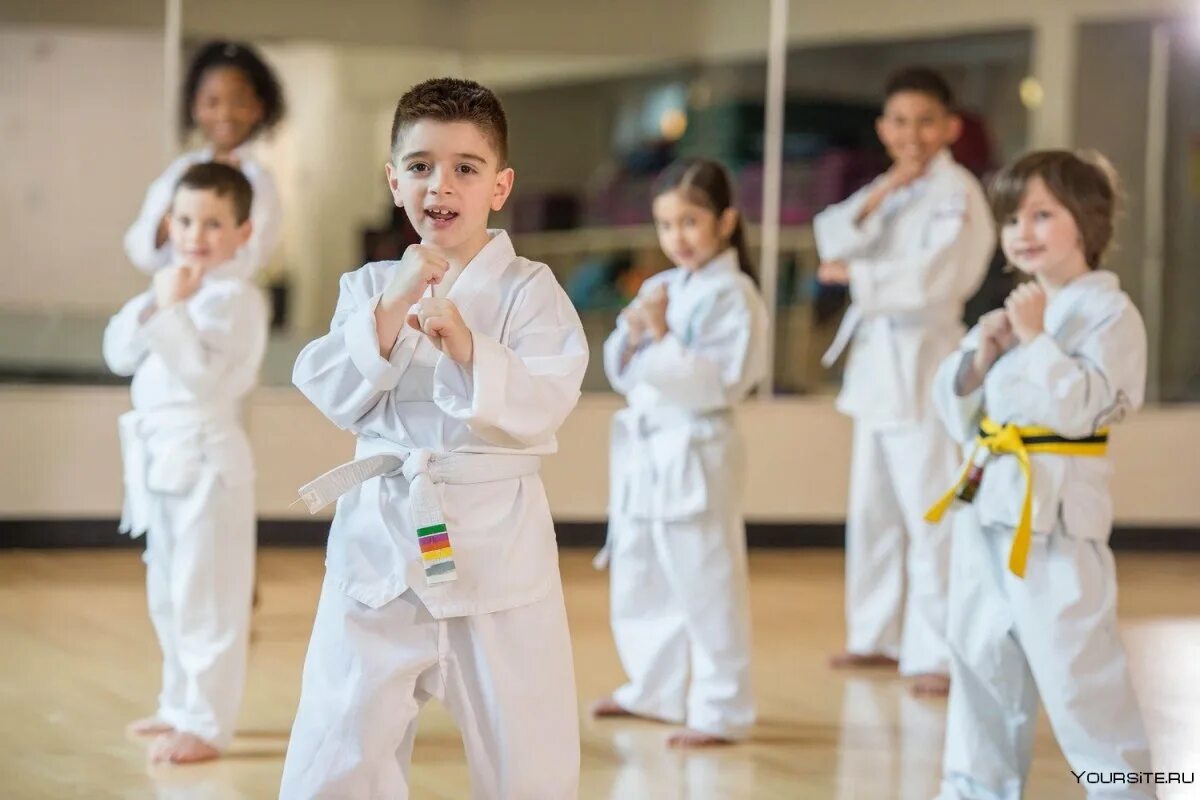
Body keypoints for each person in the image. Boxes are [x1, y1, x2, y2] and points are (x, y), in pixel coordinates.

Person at [279, 78, 588, 799]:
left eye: (465, 167)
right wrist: (393, 304)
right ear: (393, 182)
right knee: (340, 731)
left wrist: (468, 348)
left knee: (526, 746)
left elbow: (548, 397)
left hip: (492, 548)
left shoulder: (529, 290)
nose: (439, 185)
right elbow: (327, 386)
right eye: (419, 166)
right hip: (382, 538)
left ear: (500, 186)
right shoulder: (369, 286)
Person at [927, 150, 1154, 799]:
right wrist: (981, 353)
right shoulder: (1012, 315)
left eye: (1041, 214)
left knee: (1079, 673)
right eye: (1012, 218)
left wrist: (1036, 342)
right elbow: (959, 412)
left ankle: (1126, 791)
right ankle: (973, 789)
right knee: (980, 667)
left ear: (1087, 221)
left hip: (1055, 520)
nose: (1021, 231)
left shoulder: (1112, 316)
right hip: (986, 509)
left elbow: (1085, 407)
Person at [814, 66, 995, 695]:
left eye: (925, 121)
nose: (911, 134)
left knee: (931, 512)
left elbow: (931, 280)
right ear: (882, 127)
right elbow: (828, 235)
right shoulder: (893, 186)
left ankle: (936, 651)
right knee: (873, 511)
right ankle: (876, 637)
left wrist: (856, 278)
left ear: (950, 127)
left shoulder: (957, 193)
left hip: (925, 360)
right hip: (876, 370)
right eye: (899, 121)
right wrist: (884, 189)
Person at [592, 158, 768, 747]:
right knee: (644, 572)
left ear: (725, 221)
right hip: (648, 449)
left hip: (698, 447)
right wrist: (640, 328)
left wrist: (661, 334)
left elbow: (720, 381)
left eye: (690, 222)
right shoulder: (660, 286)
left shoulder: (735, 293)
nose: (678, 238)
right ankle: (654, 688)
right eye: (667, 225)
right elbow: (620, 367)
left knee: (705, 578)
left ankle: (723, 707)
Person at [103, 162, 268, 763]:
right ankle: (178, 703)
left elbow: (203, 380)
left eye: (214, 223)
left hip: (207, 463)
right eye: (186, 219)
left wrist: (172, 313)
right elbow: (118, 352)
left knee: (209, 595)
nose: (197, 235)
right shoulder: (166, 285)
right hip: (158, 460)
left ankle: (207, 721)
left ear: (243, 232)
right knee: (168, 591)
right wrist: (159, 303)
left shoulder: (238, 300)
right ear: (168, 222)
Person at [125, 40, 284, 281]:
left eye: (239, 102)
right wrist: (180, 201)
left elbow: (251, 261)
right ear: (195, 108)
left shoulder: (258, 181)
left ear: (258, 108)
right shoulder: (182, 171)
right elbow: (141, 250)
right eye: (212, 102)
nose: (225, 114)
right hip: (174, 298)